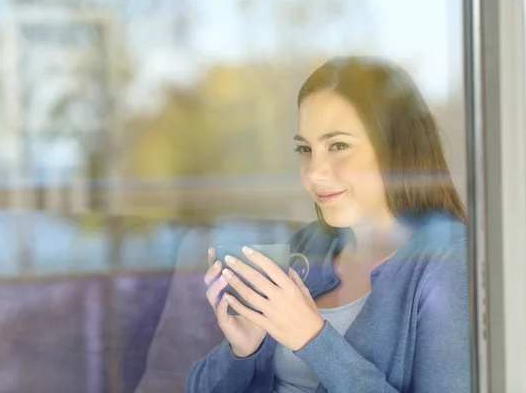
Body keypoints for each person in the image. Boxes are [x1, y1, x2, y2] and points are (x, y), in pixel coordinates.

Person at [185, 56, 470, 393]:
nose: (314, 172)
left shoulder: (449, 265)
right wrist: (242, 351)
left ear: (396, 148)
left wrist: (313, 340)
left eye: (338, 146)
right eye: (304, 149)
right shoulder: (307, 246)